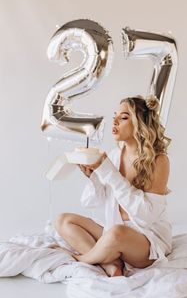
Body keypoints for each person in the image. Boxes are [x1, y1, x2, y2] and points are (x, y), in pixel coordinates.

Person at [54, 94, 172, 277]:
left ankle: (83, 259)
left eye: (124, 117)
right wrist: (93, 177)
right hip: (114, 231)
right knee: (63, 220)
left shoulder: (158, 160)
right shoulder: (115, 155)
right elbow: (91, 202)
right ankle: (111, 265)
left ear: (140, 123)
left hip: (146, 242)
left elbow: (146, 217)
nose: (115, 121)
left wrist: (108, 172)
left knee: (117, 234)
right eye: (115, 116)